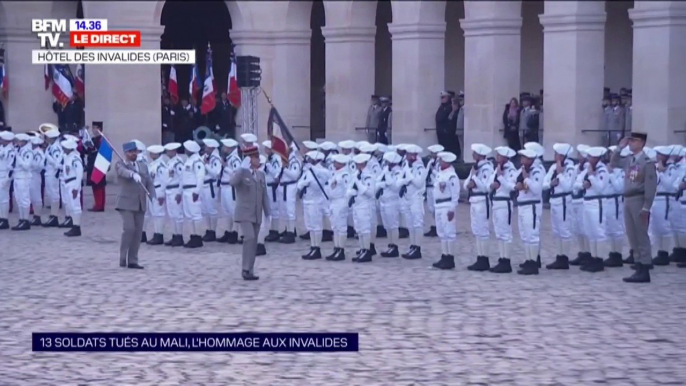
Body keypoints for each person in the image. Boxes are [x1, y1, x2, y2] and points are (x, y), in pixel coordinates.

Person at [611, 132, 657, 283]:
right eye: (630, 140)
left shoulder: (647, 162)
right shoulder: (630, 160)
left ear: (642, 143)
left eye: (634, 141)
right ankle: (637, 265)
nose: (630, 143)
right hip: (628, 199)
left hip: (639, 199)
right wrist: (619, 147)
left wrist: (646, 207)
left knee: (641, 235)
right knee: (632, 235)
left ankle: (645, 267)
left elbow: (650, 187)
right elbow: (614, 162)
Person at [229, 145, 270, 281]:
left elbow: (264, 195)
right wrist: (241, 169)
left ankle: (250, 270)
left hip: (256, 214)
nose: (259, 160)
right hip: (244, 213)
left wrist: (268, 213)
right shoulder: (241, 173)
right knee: (249, 238)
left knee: (253, 242)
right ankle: (245, 268)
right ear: (249, 159)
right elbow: (232, 182)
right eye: (256, 158)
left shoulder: (261, 174)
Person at [115, 141, 155, 269]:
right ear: (126, 153)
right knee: (129, 228)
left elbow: (148, 181)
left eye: (135, 151)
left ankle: (133, 260)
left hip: (140, 202)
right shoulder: (121, 164)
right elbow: (121, 172)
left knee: (138, 233)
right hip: (126, 203)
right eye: (131, 152)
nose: (133, 154)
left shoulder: (142, 166)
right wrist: (132, 174)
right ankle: (122, 256)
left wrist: (152, 196)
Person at [543, 143, 577, 270]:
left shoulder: (570, 168)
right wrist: (551, 183)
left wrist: (560, 174)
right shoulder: (552, 167)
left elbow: (568, 186)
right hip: (554, 200)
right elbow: (545, 183)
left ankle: (564, 258)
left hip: (564, 200)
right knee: (556, 231)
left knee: (564, 230)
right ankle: (559, 256)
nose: (555, 156)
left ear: (563, 156)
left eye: (557, 154)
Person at [578, 147, 610, 273]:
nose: (588, 159)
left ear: (597, 158)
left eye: (591, 157)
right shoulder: (588, 169)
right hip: (587, 201)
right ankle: (593, 257)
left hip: (598, 203)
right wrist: (583, 184)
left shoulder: (602, 171)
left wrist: (591, 177)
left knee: (598, 232)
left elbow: (600, 188)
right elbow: (579, 183)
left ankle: (599, 260)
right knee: (590, 232)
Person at [488, 146, 518, 273]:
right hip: (496, 203)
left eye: (499, 156)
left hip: (505, 203)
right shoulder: (497, 169)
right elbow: (489, 183)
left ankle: (507, 260)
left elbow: (511, 187)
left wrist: (500, 178)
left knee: (505, 233)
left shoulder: (511, 170)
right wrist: (492, 185)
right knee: (499, 233)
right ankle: (501, 258)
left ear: (506, 157)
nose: (497, 158)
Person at [465, 143, 494, 271]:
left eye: (475, 153)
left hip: (482, 200)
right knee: (476, 230)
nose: (473, 155)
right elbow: (466, 183)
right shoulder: (475, 168)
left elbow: (485, 187)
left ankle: (485, 259)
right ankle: (479, 257)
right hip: (473, 200)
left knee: (483, 231)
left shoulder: (487, 169)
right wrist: (470, 182)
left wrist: (475, 179)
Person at [514, 148, 543, 275]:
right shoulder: (522, 170)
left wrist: (526, 179)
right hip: (522, 205)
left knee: (532, 235)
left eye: (524, 157)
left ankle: (533, 263)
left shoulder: (536, 171)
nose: (521, 159)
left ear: (530, 159)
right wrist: (517, 185)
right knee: (525, 235)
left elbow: (536, 189)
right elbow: (513, 181)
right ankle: (528, 259)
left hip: (531, 206)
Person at [298, 151, 331, 260]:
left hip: (315, 202)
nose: (308, 161)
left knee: (316, 227)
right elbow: (300, 183)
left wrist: (311, 173)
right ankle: (313, 246)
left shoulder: (321, 171)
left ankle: (317, 248)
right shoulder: (308, 170)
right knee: (311, 226)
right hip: (307, 201)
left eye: (310, 159)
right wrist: (304, 182)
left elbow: (318, 184)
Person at [650, 145, 679, 266]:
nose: (656, 157)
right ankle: (660, 252)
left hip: (666, 199)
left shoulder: (672, 168)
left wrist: (661, 173)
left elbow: (668, 185)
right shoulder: (656, 167)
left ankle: (665, 253)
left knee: (664, 227)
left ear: (663, 156)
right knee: (656, 228)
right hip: (656, 198)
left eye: (658, 154)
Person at [430, 151, 460, 270]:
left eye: (441, 160)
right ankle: (444, 255)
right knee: (442, 233)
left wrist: (452, 208)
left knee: (449, 233)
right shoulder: (440, 174)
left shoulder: (451, 176)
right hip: (438, 205)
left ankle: (450, 257)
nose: (440, 162)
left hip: (447, 205)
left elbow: (455, 193)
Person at [399, 144, 427, 259]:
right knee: (410, 224)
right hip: (407, 196)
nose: (407, 156)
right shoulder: (406, 165)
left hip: (416, 197)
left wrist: (409, 177)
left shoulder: (419, 167)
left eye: (410, 154)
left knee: (417, 223)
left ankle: (418, 248)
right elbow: (401, 178)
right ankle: (412, 245)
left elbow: (419, 183)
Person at [325, 154, 352, 261]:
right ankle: (336, 248)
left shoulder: (345, 175)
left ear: (341, 163)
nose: (334, 164)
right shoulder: (336, 173)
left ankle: (341, 250)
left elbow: (348, 190)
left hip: (340, 202)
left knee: (341, 228)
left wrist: (345, 203)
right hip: (333, 202)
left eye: (335, 162)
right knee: (335, 227)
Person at [377, 151, 403, 258]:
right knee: (387, 226)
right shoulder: (386, 170)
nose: (386, 163)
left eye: (387, 161)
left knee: (393, 225)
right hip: (384, 200)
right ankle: (390, 245)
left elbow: (396, 187)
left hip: (392, 201)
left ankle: (395, 246)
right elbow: (377, 181)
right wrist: (383, 183)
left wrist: (387, 180)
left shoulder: (398, 172)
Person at [181, 140, 206, 248]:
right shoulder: (189, 160)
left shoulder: (197, 161)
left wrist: (197, 191)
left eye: (186, 148)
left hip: (192, 190)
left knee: (195, 215)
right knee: (189, 215)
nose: (185, 150)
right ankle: (192, 236)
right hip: (186, 190)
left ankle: (198, 236)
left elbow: (200, 177)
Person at [218, 138, 242, 244]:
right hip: (224, 186)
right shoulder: (228, 158)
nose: (223, 148)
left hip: (230, 187)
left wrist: (225, 167)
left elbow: (237, 173)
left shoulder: (235, 159)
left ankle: (235, 232)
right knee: (226, 211)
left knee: (233, 211)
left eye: (225, 147)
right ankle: (228, 231)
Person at [163, 142, 185, 247]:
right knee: (172, 215)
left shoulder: (178, 162)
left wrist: (180, 192)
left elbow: (182, 178)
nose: (167, 153)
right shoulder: (169, 162)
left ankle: (179, 236)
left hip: (175, 189)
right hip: (169, 190)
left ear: (173, 151)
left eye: (168, 151)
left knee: (178, 215)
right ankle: (174, 235)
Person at [60, 138, 83, 237]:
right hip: (67, 183)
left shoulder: (75, 159)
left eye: (65, 147)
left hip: (73, 183)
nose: (63, 148)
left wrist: (76, 188)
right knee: (70, 206)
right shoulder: (68, 157)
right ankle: (74, 224)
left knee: (75, 206)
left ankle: (77, 227)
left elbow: (80, 173)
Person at [145, 145, 167, 245]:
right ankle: (156, 233)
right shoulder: (153, 164)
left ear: (157, 154)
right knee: (154, 214)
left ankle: (159, 234)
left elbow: (164, 181)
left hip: (158, 191)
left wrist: (162, 195)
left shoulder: (161, 166)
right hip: (151, 191)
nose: (150, 155)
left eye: (152, 153)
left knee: (159, 214)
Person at [200, 138, 222, 242]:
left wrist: (206, 165)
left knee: (211, 209)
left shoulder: (216, 158)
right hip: (204, 186)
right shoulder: (207, 157)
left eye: (207, 146)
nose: (205, 148)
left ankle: (213, 231)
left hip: (211, 186)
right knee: (205, 210)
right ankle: (208, 230)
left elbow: (216, 173)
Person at [11, 133, 33, 230]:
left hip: (24, 177)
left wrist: (18, 157)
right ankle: (21, 219)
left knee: (24, 199)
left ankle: (26, 220)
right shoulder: (20, 150)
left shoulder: (28, 151)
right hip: (17, 176)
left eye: (19, 141)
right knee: (19, 199)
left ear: (24, 141)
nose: (17, 142)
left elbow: (26, 166)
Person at [85, 122, 107, 212]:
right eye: (93, 128)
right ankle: (98, 204)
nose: (93, 130)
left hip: (100, 165)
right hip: (92, 164)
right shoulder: (93, 139)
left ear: (100, 129)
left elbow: (104, 152)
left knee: (99, 186)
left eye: (95, 128)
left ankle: (100, 205)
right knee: (95, 185)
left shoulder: (103, 140)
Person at [424, 145, 444, 237]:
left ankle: (437, 227)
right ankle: (433, 226)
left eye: (433, 153)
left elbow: (441, 176)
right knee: (431, 208)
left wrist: (433, 170)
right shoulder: (431, 162)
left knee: (436, 208)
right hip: (429, 186)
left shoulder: (440, 163)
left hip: (435, 187)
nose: (431, 155)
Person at [0, 131, 16, 229]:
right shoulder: (2, 148)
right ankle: (1, 218)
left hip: (5, 175)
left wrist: (7, 179)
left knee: (4, 199)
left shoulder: (11, 151)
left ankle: (5, 219)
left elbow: (12, 166)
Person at [29, 135, 46, 225]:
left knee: (36, 197)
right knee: (32, 196)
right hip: (30, 175)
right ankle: (35, 215)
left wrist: (29, 164)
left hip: (35, 175)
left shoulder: (38, 153)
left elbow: (39, 166)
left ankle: (37, 216)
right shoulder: (32, 152)